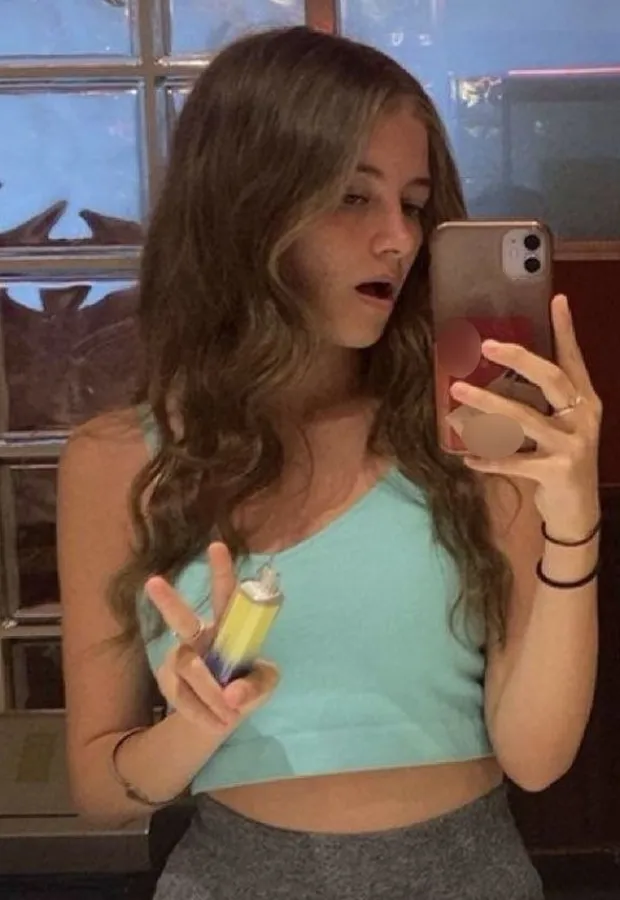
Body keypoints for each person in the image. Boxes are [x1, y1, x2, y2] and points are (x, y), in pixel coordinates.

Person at [57, 25, 602, 900]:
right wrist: (197, 723)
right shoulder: (119, 461)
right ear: (247, 205)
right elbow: (100, 790)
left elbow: (536, 759)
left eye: (414, 204)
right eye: (353, 197)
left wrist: (574, 526)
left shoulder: (465, 439)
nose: (399, 239)